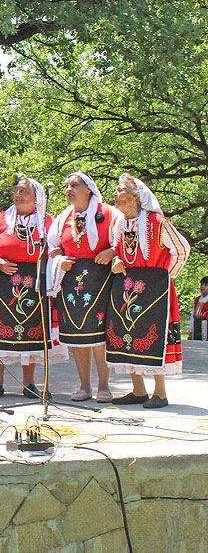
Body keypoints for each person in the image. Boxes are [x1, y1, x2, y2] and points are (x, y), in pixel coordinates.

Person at [0, 175, 67, 398]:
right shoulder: (0, 220)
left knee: (32, 333)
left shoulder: (47, 222)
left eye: (23, 191)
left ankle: (29, 383)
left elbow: (58, 249)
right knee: (0, 331)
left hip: (36, 285)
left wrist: (55, 256)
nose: (18, 194)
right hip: (3, 285)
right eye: (16, 190)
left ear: (37, 197)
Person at [107, 174, 190, 408]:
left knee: (155, 336)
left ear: (136, 196)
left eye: (120, 189)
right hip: (128, 288)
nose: (115, 193)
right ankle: (138, 390)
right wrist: (116, 262)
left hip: (156, 291)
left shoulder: (157, 223)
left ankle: (160, 393)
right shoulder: (118, 224)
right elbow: (117, 252)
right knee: (129, 333)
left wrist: (163, 277)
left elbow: (182, 249)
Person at [47, 172, 118, 402]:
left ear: (89, 189)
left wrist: (112, 251)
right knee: (78, 333)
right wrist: (59, 259)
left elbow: (123, 239)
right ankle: (84, 386)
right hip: (71, 280)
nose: (69, 189)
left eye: (74, 185)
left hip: (102, 278)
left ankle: (104, 387)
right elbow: (52, 247)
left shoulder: (109, 213)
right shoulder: (63, 218)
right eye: (67, 186)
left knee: (100, 335)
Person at [189, 276, 208, 341]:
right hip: (196, 327)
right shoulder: (197, 299)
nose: (202, 287)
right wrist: (191, 329)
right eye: (201, 284)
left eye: (206, 285)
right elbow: (192, 315)